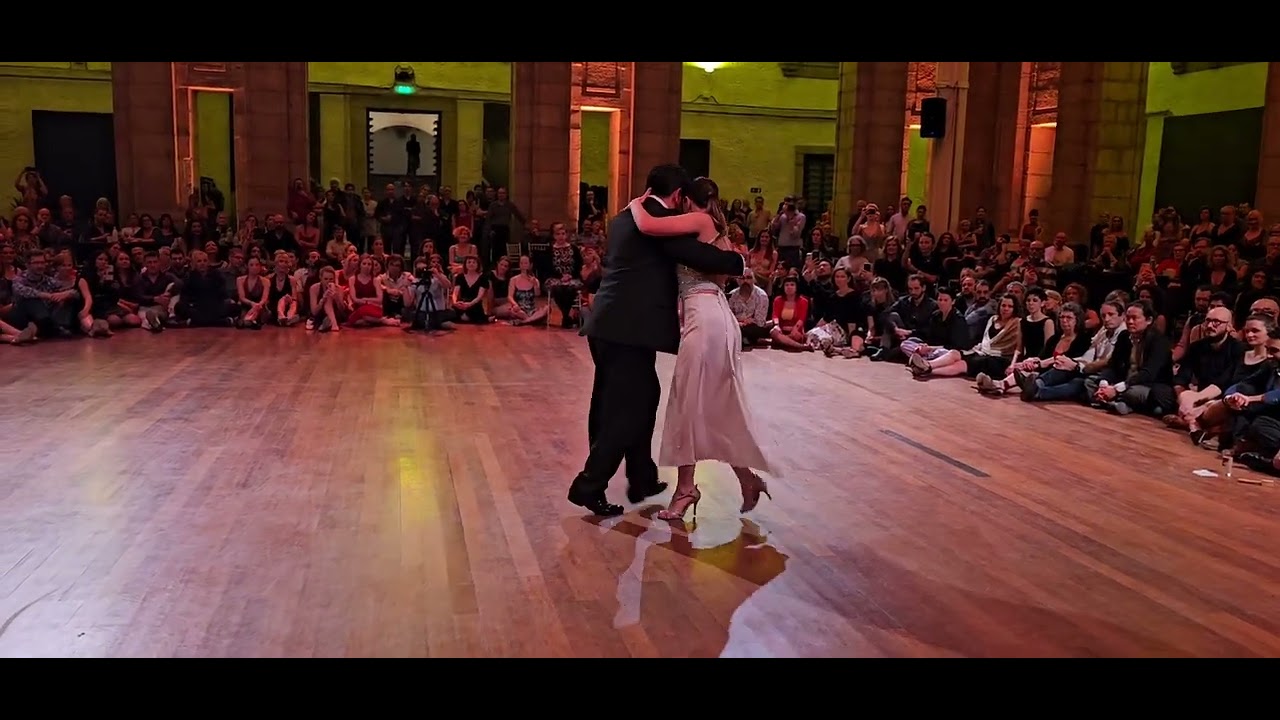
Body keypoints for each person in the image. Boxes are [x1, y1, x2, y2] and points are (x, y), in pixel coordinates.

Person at [567, 164, 747, 517]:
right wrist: (738, 261)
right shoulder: (653, 221)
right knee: (626, 409)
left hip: (612, 324)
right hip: (628, 330)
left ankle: (643, 476)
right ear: (678, 196)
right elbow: (699, 256)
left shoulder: (625, 216)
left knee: (632, 399)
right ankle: (589, 485)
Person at [627, 178, 776, 520]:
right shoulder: (713, 229)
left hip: (706, 318)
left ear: (688, 200)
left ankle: (685, 489)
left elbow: (648, 224)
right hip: (714, 317)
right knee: (712, 406)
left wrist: (637, 202)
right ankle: (746, 478)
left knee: (686, 402)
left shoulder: (700, 221)